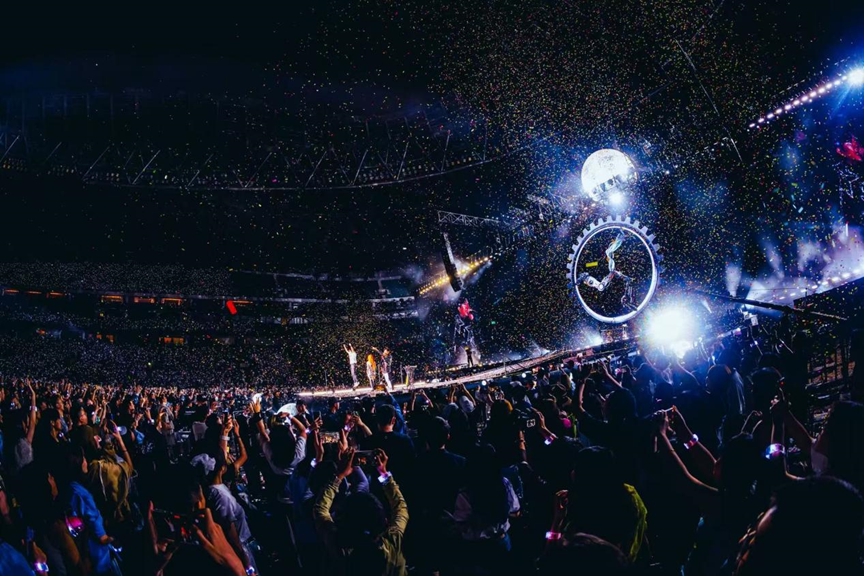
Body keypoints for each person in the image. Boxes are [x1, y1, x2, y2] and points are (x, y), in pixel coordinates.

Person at [314, 448, 408, 576]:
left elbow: (320, 510)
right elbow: (400, 507)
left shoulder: (337, 546)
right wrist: (383, 473)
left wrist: (339, 475)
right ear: (384, 522)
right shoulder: (393, 542)